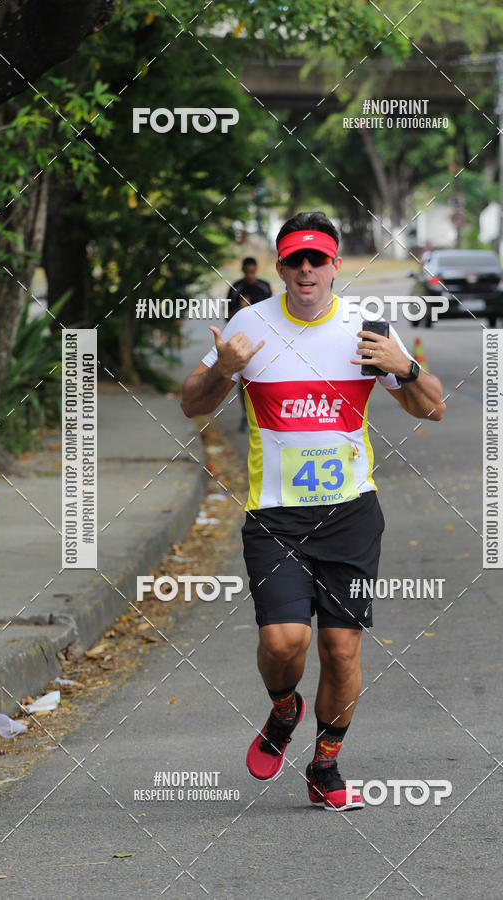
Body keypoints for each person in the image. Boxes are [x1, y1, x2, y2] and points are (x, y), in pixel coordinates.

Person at [181, 211, 445, 811]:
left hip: (351, 513)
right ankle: (283, 709)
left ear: (334, 267)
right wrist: (223, 370)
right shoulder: (248, 325)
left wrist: (404, 367)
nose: (306, 270)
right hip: (276, 516)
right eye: (295, 259)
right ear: (279, 267)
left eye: (317, 259)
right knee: (282, 642)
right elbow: (190, 405)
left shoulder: (366, 329)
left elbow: (432, 410)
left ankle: (325, 763)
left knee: (341, 650)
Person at [226, 257, 272, 430]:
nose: (251, 276)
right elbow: (227, 317)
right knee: (244, 377)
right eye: (248, 272)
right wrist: (241, 308)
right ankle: (245, 415)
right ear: (243, 271)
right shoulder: (236, 288)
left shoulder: (264, 286)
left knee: (266, 375)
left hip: (264, 337)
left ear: (257, 270)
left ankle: (264, 414)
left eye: (253, 272)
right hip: (243, 338)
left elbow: (274, 312)